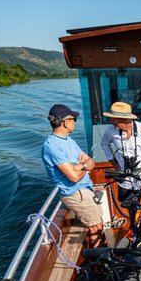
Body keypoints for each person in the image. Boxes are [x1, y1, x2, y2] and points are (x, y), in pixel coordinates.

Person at [41, 104, 104, 249]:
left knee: (98, 223)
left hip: (84, 189)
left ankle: (99, 256)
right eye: (73, 118)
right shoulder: (52, 146)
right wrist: (83, 166)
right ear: (65, 122)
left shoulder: (69, 140)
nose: (75, 121)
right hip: (77, 193)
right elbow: (74, 177)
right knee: (95, 227)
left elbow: (91, 162)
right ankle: (99, 261)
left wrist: (80, 166)